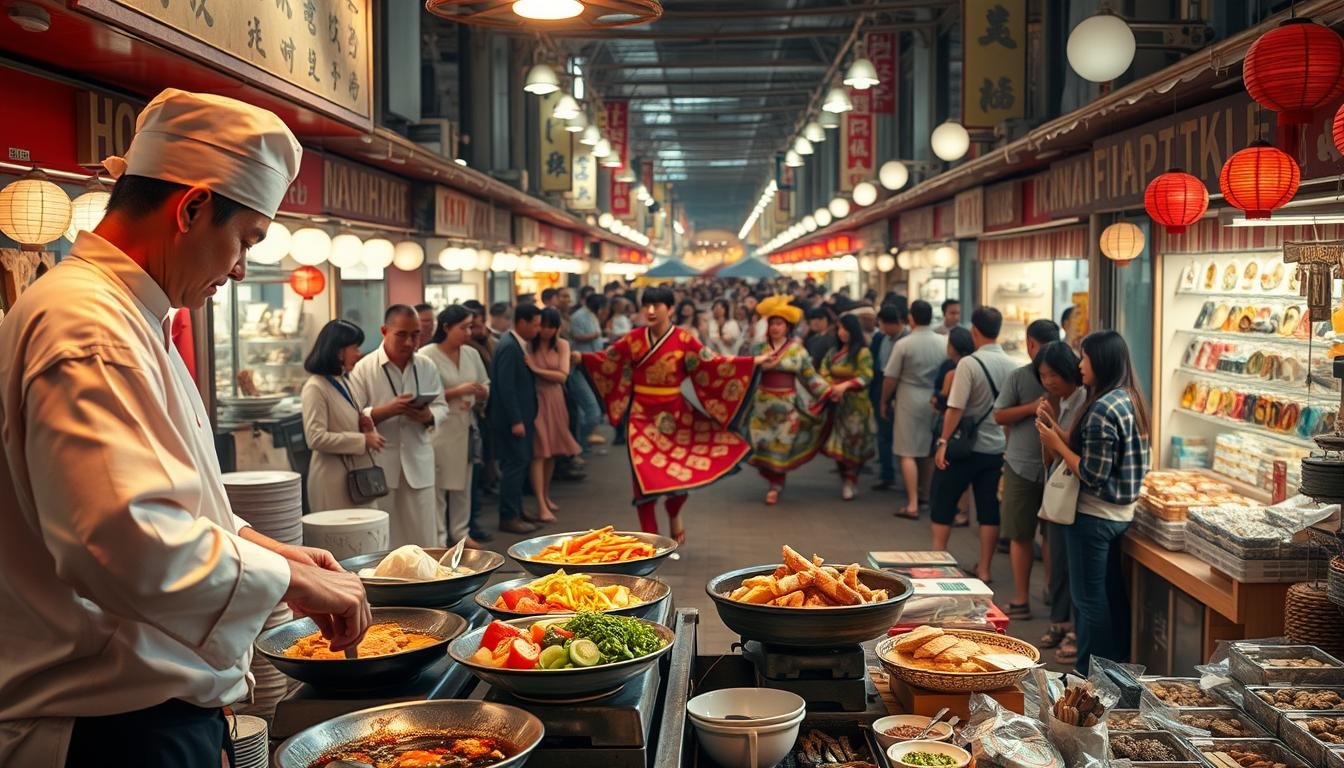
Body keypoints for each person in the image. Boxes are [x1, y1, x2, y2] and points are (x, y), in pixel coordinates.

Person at [0, 88, 369, 767]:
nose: (241, 267)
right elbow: (119, 540)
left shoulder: (132, 317)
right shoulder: (88, 326)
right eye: (246, 240)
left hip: (139, 714)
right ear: (193, 207)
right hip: (108, 727)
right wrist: (295, 584)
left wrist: (274, 552)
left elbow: (174, 503)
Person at [578, 287, 759, 542]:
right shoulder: (633, 339)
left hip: (677, 417)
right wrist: (580, 357)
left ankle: (674, 513)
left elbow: (713, 363)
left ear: (670, 309)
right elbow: (608, 359)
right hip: (641, 417)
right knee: (643, 482)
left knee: (679, 478)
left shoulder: (684, 339)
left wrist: (753, 363)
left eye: (657, 305)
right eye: (646, 306)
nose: (650, 311)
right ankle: (653, 545)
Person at [1037, 330, 1151, 673]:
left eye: (1083, 357)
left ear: (1100, 361)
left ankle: (1090, 675)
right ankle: (1112, 672)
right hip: (1119, 514)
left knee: (1088, 602)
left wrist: (1056, 446)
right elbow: (1092, 452)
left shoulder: (1102, 407)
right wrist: (1056, 430)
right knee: (1110, 596)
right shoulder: (1128, 397)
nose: (1078, 364)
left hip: (1094, 516)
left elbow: (1092, 472)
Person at [348, 305, 450, 548]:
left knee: (424, 533)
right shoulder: (365, 367)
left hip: (418, 457)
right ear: (384, 330)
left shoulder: (426, 365)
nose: (409, 342)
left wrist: (428, 415)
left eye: (415, 335)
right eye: (401, 334)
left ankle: (426, 580)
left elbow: (442, 406)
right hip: (381, 462)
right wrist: (386, 410)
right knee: (385, 535)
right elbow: (353, 414)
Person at [932, 307, 1017, 581]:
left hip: (964, 448)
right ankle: (985, 569)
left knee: (943, 501)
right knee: (989, 510)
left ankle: (939, 562)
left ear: (975, 331)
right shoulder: (1012, 364)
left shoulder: (968, 364)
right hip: (996, 449)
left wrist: (943, 441)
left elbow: (955, 408)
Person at [992, 318, 1061, 620]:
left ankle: (1049, 591)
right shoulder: (1018, 376)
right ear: (1031, 345)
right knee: (1020, 533)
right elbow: (1000, 415)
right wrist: (1031, 408)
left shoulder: (1068, 377)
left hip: (1057, 467)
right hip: (1021, 464)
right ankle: (1022, 598)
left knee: (1050, 535)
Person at [748, 296, 833, 505]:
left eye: (780, 324)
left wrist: (828, 392)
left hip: (787, 406)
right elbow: (745, 374)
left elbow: (810, 376)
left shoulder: (797, 350)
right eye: (772, 323)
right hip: (761, 406)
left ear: (788, 327)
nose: (775, 328)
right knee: (762, 444)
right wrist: (758, 367)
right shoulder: (758, 350)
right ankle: (773, 479)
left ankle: (775, 485)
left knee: (782, 445)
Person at [1032, 341, 1085, 665]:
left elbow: (1073, 450)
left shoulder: (1083, 401)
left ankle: (1072, 630)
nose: (1047, 381)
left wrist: (1054, 431)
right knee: (1059, 564)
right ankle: (1061, 621)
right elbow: (1052, 454)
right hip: (1059, 492)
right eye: (1042, 375)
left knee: (1070, 566)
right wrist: (1051, 424)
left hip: (1075, 496)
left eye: (1052, 374)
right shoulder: (1065, 400)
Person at [420, 306, 490, 549]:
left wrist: (482, 392)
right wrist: (458, 391)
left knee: (464, 483)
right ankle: (439, 538)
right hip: (439, 429)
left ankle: (461, 532)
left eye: (470, 326)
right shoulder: (427, 354)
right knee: (439, 488)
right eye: (463, 327)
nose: (468, 332)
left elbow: (485, 382)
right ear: (446, 327)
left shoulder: (470, 353)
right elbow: (424, 395)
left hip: (466, 426)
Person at [302, 319, 387, 511]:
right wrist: (362, 440)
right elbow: (315, 438)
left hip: (354, 476)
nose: (359, 354)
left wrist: (363, 423)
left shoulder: (343, 380)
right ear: (338, 351)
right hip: (332, 481)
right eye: (355, 348)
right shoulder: (315, 387)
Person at [881, 300, 947, 519]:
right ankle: (926, 496)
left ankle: (912, 503)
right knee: (927, 450)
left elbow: (890, 377)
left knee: (907, 451)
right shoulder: (943, 342)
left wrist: (883, 400)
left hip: (908, 396)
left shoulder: (904, 344)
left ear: (911, 318)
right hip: (934, 397)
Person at [488, 304, 543, 534]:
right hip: (512, 420)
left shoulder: (515, 344)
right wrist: (516, 420)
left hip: (521, 417)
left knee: (520, 465)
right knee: (514, 465)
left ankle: (517, 509)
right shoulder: (509, 346)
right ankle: (509, 515)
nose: (538, 329)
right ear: (522, 322)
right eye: (535, 324)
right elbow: (506, 387)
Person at [528, 308, 583, 522]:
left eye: (551, 327)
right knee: (539, 451)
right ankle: (541, 503)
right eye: (543, 326)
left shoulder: (562, 345)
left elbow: (562, 375)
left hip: (555, 398)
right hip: (535, 399)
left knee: (552, 450)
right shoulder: (528, 343)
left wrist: (535, 369)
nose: (546, 331)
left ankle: (545, 495)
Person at [820, 315, 875, 501]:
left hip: (856, 407)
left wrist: (845, 386)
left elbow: (866, 376)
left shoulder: (862, 353)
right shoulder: (833, 352)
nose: (841, 333)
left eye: (845, 329)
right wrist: (831, 386)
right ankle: (846, 479)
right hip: (836, 404)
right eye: (839, 329)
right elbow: (823, 371)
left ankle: (851, 481)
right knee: (838, 446)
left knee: (854, 444)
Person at [869, 303, 907, 491]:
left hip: (901, 392)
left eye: (883, 324)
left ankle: (907, 477)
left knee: (903, 437)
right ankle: (887, 474)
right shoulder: (880, 338)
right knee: (884, 435)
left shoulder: (907, 340)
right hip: (880, 389)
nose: (881, 328)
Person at [568, 294, 607, 451]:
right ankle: (581, 442)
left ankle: (584, 441)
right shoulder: (579, 316)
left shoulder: (591, 315)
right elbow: (576, 336)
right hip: (580, 363)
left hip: (591, 361)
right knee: (589, 407)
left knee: (590, 406)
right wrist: (595, 335)